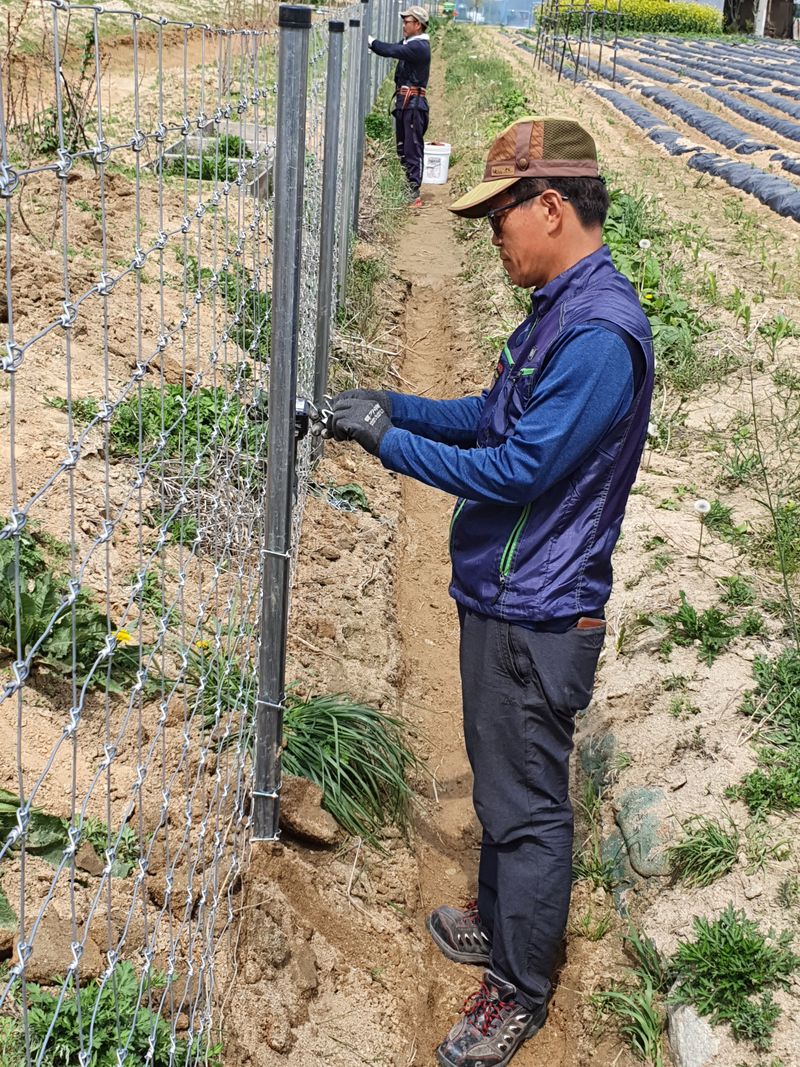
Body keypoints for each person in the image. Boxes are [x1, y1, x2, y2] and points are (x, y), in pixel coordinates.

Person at [327, 116, 654, 1067]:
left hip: (539, 609)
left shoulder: (598, 337)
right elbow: (489, 416)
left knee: (528, 804)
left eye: (500, 216)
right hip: (507, 594)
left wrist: (389, 445)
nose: (492, 236)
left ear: (550, 207)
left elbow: (515, 468)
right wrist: (395, 406)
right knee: (501, 775)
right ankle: (504, 915)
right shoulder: (558, 309)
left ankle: (519, 986)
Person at [368, 6, 431, 207]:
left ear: (418, 25)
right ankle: (408, 187)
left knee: (412, 148)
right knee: (403, 147)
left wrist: (370, 41)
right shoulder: (410, 43)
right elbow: (390, 48)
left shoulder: (419, 47)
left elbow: (390, 50)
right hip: (405, 103)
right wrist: (374, 45)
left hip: (414, 106)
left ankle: (414, 192)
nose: (404, 25)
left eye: (407, 22)